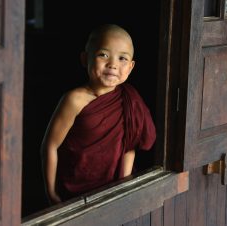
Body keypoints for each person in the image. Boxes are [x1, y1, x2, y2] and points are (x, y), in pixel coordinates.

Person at [41, 24, 156, 205]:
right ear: (85, 58)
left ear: (131, 67)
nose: (113, 64)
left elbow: (129, 145)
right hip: (74, 189)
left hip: (113, 189)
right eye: (103, 55)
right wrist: (51, 192)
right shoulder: (75, 100)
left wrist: (124, 185)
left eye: (122, 58)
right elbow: (50, 146)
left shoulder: (129, 99)